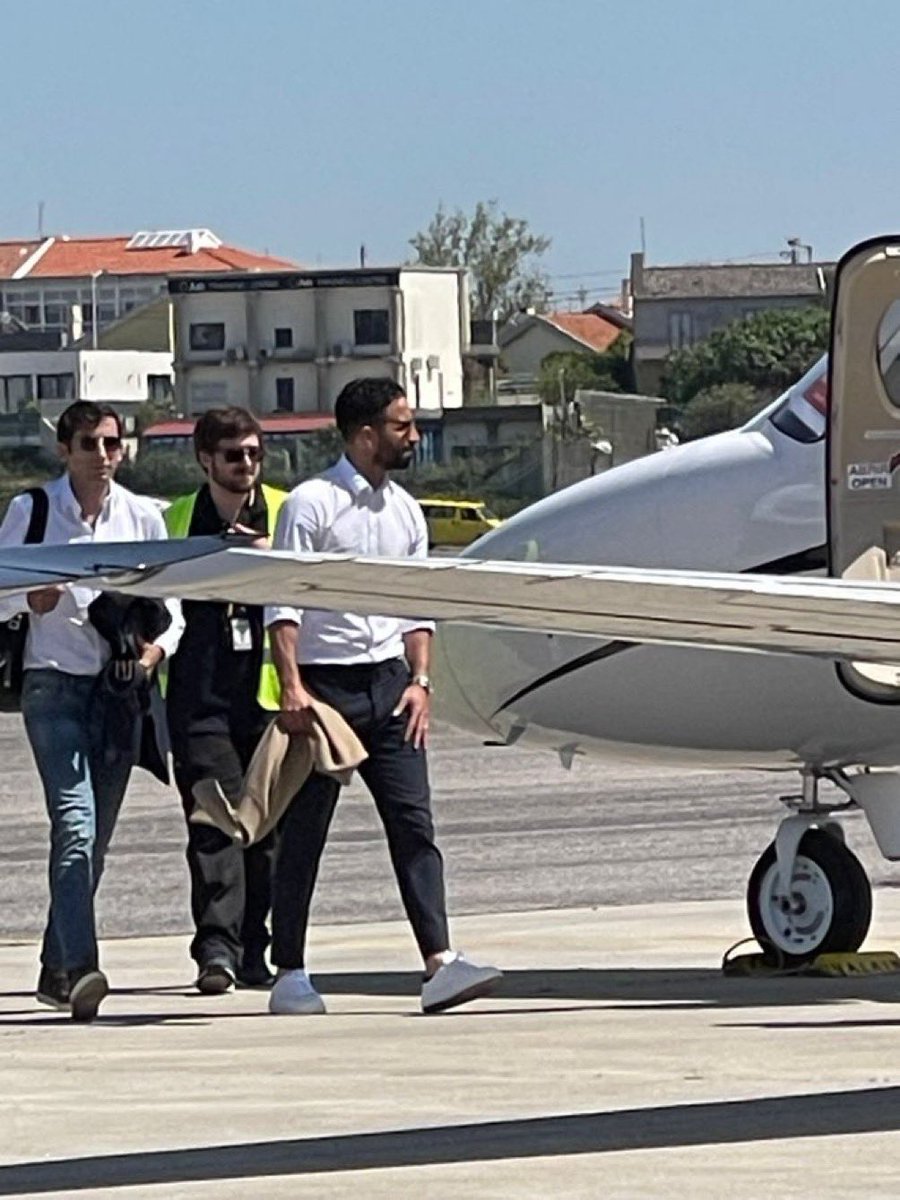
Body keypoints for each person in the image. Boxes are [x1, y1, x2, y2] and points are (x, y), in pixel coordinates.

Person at [266, 377, 502, 1015]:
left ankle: (439, 963)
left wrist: (421, 681)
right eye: (403, 426)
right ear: (366, 434)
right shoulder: (311, 504)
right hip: (326, 689)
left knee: (414, 823)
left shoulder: (405, 511)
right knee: (305, 832)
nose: (414, 437)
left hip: (390, 688)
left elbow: (415, 605)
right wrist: (293, 689)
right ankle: (289, 972)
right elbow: (282, 603)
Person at [0, 401, 183, 1022]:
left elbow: (173, 606)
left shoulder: (143, 516)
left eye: (111, 443)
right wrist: (29, 599)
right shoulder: (32, 511)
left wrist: (154, 653)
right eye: (88, 444)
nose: (102, 456)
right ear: (64, 450)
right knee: (74, 825)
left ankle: (56, 970)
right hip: (51, 683)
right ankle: (82, 967)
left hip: (118, 689)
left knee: (95, 838)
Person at [164, 408, 287, 994]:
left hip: (269, 697)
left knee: (265, 832)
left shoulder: (286, 511)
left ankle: (254, 950)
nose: (246, 465)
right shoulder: (175, 520)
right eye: (234, 455)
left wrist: (264, 552)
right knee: (214, 823)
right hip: (199, 697)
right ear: (205, 460)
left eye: (254, 454)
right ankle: (216, 951)